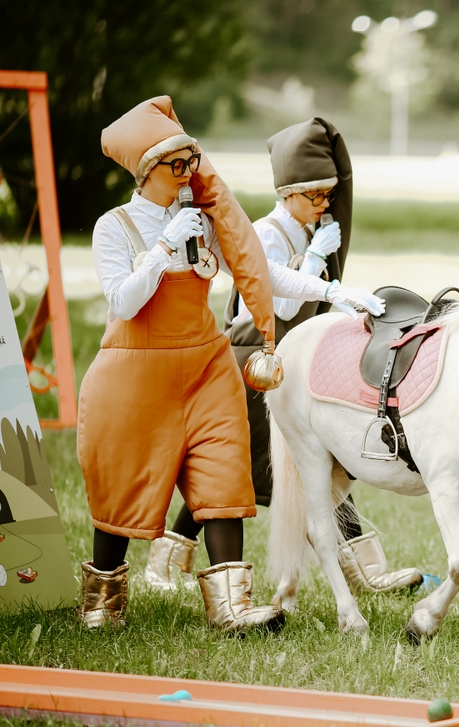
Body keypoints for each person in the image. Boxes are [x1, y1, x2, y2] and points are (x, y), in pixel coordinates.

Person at [78, 97, 355, 632]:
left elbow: (262, 271)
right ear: (146, 170)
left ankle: (231, 606)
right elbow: (122, 302)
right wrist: (161, 247)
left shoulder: (204, 221)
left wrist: (337, 291)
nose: (189, 175)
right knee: (121, 489)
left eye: (192, 162)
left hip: (206, 367)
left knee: (225, 477)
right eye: (176, 165)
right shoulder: (114, 226)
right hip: (134, 376)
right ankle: (102, 602)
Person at [143, 118, 421, 596]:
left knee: (325, 461)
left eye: (329, 196)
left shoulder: (312, 227)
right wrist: (313, 259)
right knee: (242, 470)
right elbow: (279, 303)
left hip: (297, 363)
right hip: (255, 360)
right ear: (289, 192)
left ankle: (364, 569)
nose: (324, 205)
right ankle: (164, 561)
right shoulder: (266, 233)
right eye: (315, 195)